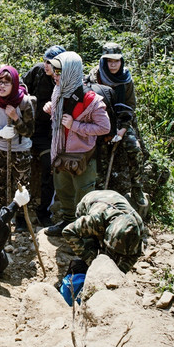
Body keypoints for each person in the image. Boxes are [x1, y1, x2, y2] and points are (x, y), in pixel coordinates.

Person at [43, 51, 111, 236]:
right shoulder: (58, 90)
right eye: (55, 72)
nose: (55, 76)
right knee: (63, 191)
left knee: (84, 196)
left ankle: (83, 234)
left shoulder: (90, 99)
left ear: (71, 71)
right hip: (60, 152)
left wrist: (76, 126)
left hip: (82, 156)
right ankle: (67, 223)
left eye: (59, 72)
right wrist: (51, 109)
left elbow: (104, 127)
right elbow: (59, 115)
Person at [84, 42, 148, 217]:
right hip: (100, 121)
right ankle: (97, 197)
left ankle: (137, 187)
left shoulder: (126, 78)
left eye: (116, 61)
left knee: (135, 149)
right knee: (99, 156)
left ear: (121, 61)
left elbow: (130, 105)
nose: (113, 64)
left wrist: (122, 130)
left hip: (121, 121)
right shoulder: (95, 76)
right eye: (109, 61)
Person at [0, 65, 36, 227]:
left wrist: (16, 119)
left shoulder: (24, 102)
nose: (2, 86)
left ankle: (21, 217)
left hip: (20, 150)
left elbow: (29, 131)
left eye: (7, 83)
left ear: (15, 84)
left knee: (22, 184)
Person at [23, 45, 66, 225]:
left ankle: (43, 213)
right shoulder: (38, 71)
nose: (47, 65)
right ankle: (19, 212)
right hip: (27, 128)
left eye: (51, 62)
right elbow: (21, 85)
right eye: (45, 60)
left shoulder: (66, 78)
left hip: (48, 134)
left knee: (49, 167)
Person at [62, 189, 148, 272]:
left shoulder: (137, 228)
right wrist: (90, 259)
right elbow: (68, 231)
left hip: (115, 199)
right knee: (90, 246)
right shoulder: (96, 220)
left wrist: (121, 271)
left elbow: (135, 254)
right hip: (91, 200)